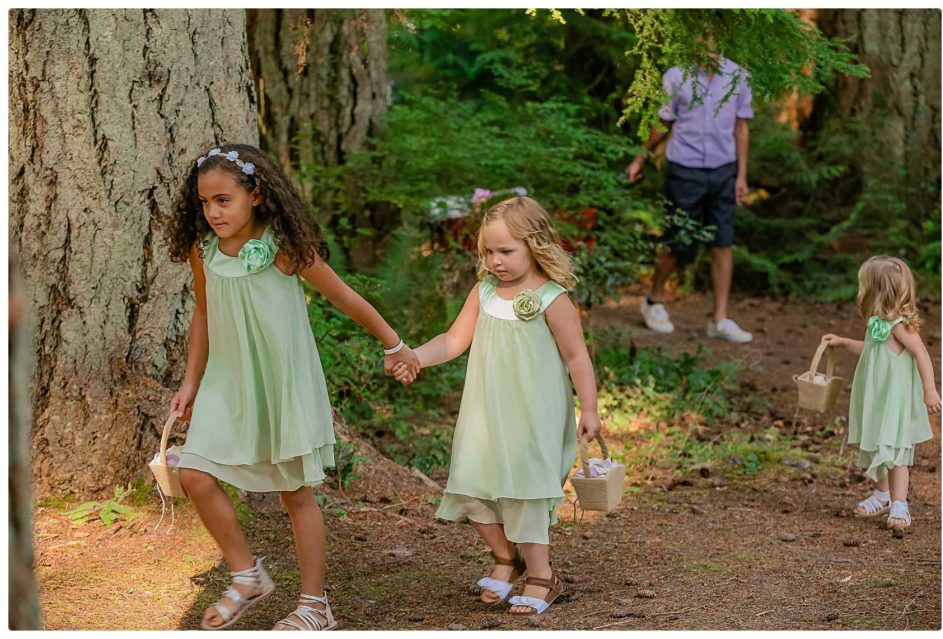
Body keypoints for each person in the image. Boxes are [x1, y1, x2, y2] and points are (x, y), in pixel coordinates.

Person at [163, 143, 420, 630]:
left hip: (282, 383)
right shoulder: (204, 253)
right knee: (194, 473)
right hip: (228, 383)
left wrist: (395, 344)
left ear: (256, 194)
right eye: (204, 202)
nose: (212, 212)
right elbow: (203, 312)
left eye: (223, 200)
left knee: (296, 493)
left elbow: (343, 294)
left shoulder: (282, 248)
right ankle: (246, 575)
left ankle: (313, 604)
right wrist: (191, 380)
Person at [393, 196, 601, 616]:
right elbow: (454, 341)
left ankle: (543, 576)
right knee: (470, 488)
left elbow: (578, 357)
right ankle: (507, 558)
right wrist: (414, 355)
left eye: (506, 251)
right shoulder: (484, 292)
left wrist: (590, 410)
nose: (496, 260)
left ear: (536, 244)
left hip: (532, 416)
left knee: (523, 493)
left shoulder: (551, 299)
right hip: (484, 414)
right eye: (489, 251)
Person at [627, 49, 754, 343]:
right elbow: (663, 123)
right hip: (684, 169)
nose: (709, 44)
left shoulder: (739, 76)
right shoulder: (675, 75)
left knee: (723, 242)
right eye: (703, 35)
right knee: (677, 241)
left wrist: (742, 176)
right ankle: (654, 301)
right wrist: (639, 159)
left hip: (723, 170)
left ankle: (719, 319)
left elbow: (741, 128)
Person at [823, 256, 939, 535]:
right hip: (877, 398)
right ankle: (882, 494)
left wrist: (930, 390)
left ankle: (900, 503)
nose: (859, 291)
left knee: (895, 448)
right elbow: (871, 349)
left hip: (894, 399)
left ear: (876, 291)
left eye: (863, 286)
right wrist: (841, 342)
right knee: (879, 443)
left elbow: (921, 353)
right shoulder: (878, 322)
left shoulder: (900, 324)